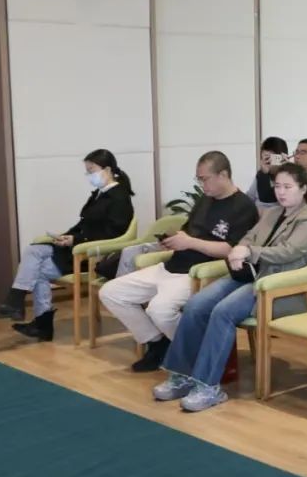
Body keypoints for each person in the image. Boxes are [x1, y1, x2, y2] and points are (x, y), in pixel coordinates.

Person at [151, 163, 307, 412]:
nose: (281, 192)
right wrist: (240, 248)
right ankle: (182, 375)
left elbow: (287, 252)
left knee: (223, 312)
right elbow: (249, 237)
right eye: (278, 186)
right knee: (196, 304)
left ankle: (208, 386)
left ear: (303, 188)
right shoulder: (273, 213)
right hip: (250, 275)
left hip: (277, 286)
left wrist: (248, 252)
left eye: (288, 187)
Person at [99, 152, 257, 371]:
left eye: (205, 179)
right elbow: (188, 231)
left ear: (223, 175)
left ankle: (195, 351)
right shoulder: (205, 200)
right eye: (198, 179)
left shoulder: (244, 207)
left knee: (159, 310)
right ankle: (158, 342)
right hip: (172, 265)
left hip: (201, 273)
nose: (202, 185)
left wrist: (190, 242)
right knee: (111, 292)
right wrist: (174, 240)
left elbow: (232, 250)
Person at [0, 149, 135, 341]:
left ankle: (37, 320)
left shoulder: (119, 197)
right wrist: (66, 237)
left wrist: (76, 241)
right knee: (34, 250)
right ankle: (18, 302)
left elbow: (113, 234)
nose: (89, 175)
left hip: (91, 255)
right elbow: (83, 224)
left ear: (107, 169)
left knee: (38, 270)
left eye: (91, 170)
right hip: (77, 247)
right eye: (87, 171)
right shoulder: (100, 194)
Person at [246, 136, 289, 211]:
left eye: (270, 159)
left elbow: (268, 198)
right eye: (265, 159)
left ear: (282, 158)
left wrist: (264, 175)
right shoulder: (261, 174)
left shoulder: (290, 176)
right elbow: (250, 197)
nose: (267, 163)